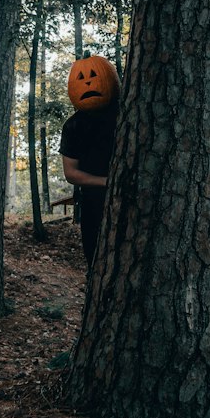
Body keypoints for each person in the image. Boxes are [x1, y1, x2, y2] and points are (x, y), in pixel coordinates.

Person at [59, 54, 120, 267]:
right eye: (81, 78)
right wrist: (106, 182)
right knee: (96, 261)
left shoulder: (127, 113)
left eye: (94, 75)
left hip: (131, 199)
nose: (87, 82)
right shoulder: (73, 127)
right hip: (94, 204)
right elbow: (71, 173)